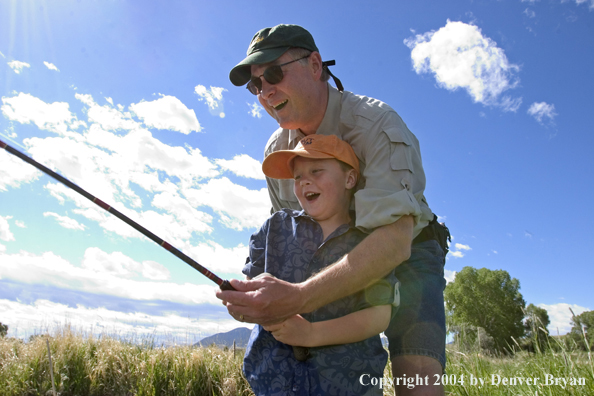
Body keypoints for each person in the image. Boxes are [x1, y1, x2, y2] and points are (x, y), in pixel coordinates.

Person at [217, 24, 450, 396]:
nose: (265, 91)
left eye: (273, 73)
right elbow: (285, 237)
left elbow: (394, 242)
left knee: (417, 373)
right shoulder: (277, 149)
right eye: (256, 85)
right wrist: (254, 302)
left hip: (406, 248)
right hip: (328, 257)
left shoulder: (377, 124)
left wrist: (299, 298)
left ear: (314, 64)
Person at [243, 134, 398, 395]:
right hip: (270, 384)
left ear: (349, 179)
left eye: (316, 170)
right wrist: (244, 306)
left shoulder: (371, 243)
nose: (304, 181)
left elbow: (379, 315)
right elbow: (252, 292)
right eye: (298, 176)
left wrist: (311, 334)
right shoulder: (274, 227)